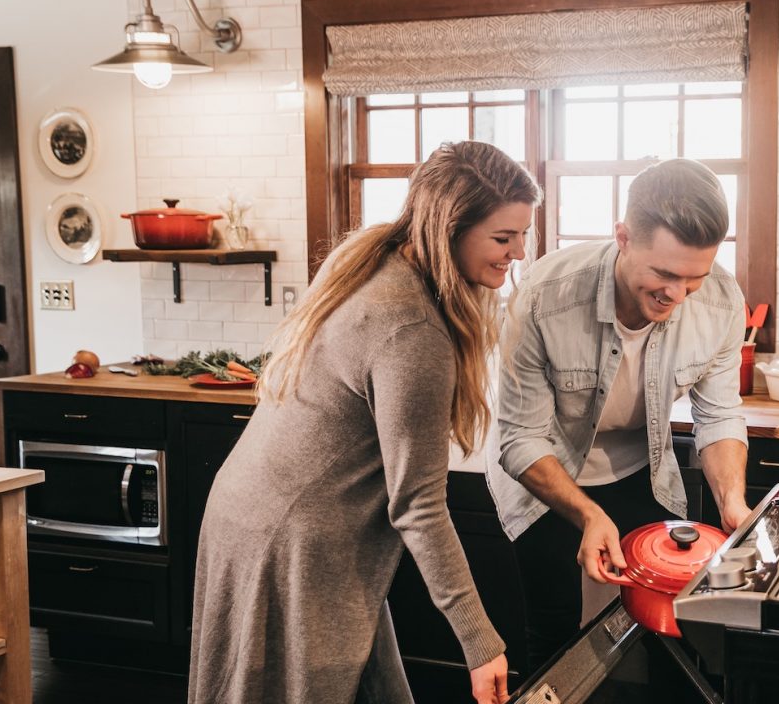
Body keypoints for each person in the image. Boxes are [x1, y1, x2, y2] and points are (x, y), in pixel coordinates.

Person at [189, 141, 541, 704]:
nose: (518, 252)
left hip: (257, 515)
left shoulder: (377, 258)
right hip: (293, 541)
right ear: (449, 227)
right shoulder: (412, 328)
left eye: (524, 234)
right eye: (504, 237)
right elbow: (419, 506)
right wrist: (481, 644)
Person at [486, 158, 750, 670]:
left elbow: (718, 415)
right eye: (664, 273)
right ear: (624, 237)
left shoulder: (720, 299)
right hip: (546, 475)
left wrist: (732, 501)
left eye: (693, 278)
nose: (677, 294)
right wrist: (588, 514)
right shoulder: (545, 296)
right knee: (556, 632)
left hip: (642, 471)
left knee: (667, 630)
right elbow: (519, 437)